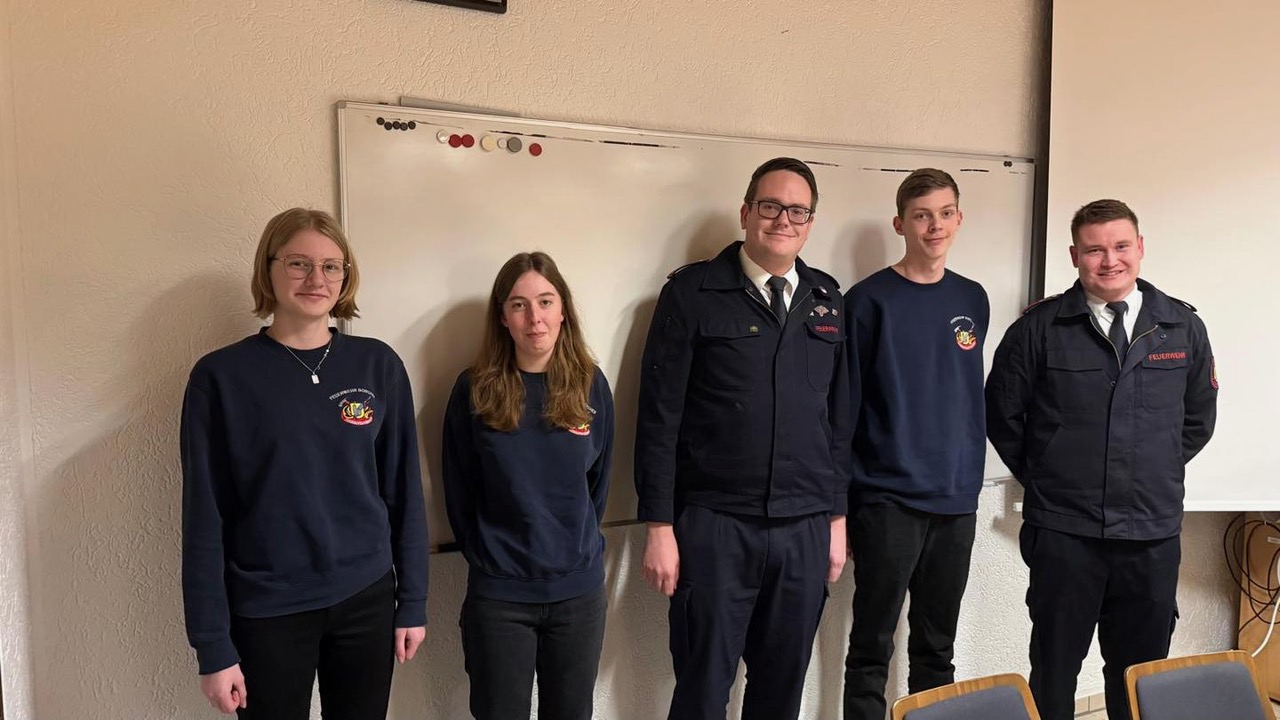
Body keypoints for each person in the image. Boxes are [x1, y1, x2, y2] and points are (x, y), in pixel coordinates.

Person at [180, 208, 429, 719]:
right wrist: (213, 646)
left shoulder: (378, 365)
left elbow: (404, 493)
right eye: (298, 263)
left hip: (366, 597)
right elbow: (204, 518)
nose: (317, 279)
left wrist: (413, 601)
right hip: (267, 608)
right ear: (268, 269)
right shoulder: (221, 378)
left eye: (331, 266)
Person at [635, 156, 853, 720]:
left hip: (804, 528)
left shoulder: (828, 299)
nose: (783, 219)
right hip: (717, 526)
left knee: (780, 694)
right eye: (770, 206)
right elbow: (659, 417)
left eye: (797, 211)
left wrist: (836, 519)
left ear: (810, 223)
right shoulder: (693, 294)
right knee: (703, 690)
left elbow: (839, 422)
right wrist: (658, 525)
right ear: (746, 212)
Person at [986, 199, 1217, 720]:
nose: (1110, 260)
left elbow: (1197, 421)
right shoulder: (1039, 329)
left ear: (1141, 248)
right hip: (1065, 533)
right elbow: (1003, 418)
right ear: (1075, 255)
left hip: (1150, 535)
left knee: (1140, 678)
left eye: (1121, 246)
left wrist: (1149, 471)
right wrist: (1053, 475)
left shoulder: (1181, 327)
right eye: (1094, 250)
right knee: (1054, 670)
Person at [841, 168, 990, 719]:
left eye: (945, 214)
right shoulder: (867, 301)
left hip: (956, 499)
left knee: (936, 648)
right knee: (871, 646)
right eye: (922, 216)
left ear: (959, 219)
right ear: (900, 223)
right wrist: (844, 505)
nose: (935, 226)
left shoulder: (972, 298)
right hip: (887, 500)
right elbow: (846, 410)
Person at [441, 251, 614, 720]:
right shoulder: (474, 389)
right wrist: (492, 556)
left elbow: (597, 485)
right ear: (503, 316)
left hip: (577, 596)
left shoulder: (591, 385)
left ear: (563, 310)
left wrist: (570, 545)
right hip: (500, 597)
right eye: (519, 305)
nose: (534, 318)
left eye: (545, 301)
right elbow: (458, 488)